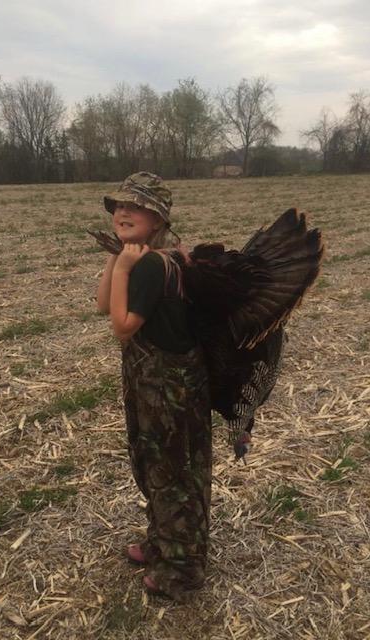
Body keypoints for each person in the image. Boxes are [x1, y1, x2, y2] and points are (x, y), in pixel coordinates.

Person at [96, 172, 212, 602]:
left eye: (136, 207)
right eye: (119, 206)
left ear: (158, 217)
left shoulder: (150, 264)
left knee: (173, 474)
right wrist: (116, 259)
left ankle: (182, 571)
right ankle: (163, 544)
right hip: (156, 384)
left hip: (168, 389)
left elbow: (122, 327)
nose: (123, 212)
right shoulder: (150, 257)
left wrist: (126, 266)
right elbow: (103, 303)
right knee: (156, 467)